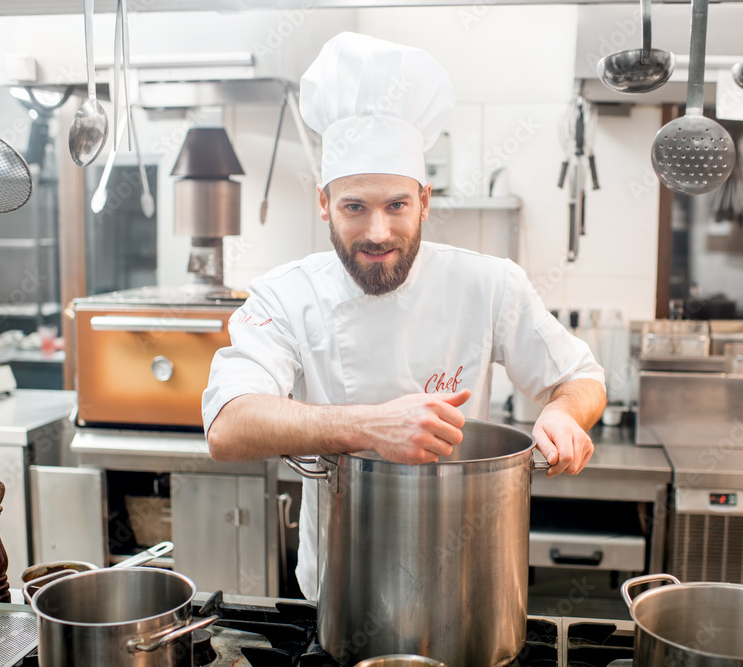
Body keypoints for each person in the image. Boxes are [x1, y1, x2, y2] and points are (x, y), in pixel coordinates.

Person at [203, 32, 606, 601]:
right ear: (323, 203)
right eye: (353, 208)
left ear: (425, 199)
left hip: (466, 588)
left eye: (396, 205)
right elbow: (227, 427)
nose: (377, 233)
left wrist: (568, 416)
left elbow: (581, 378)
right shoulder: (284, 296)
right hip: (339, 592)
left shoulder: (488, 283)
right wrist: (367, 427)